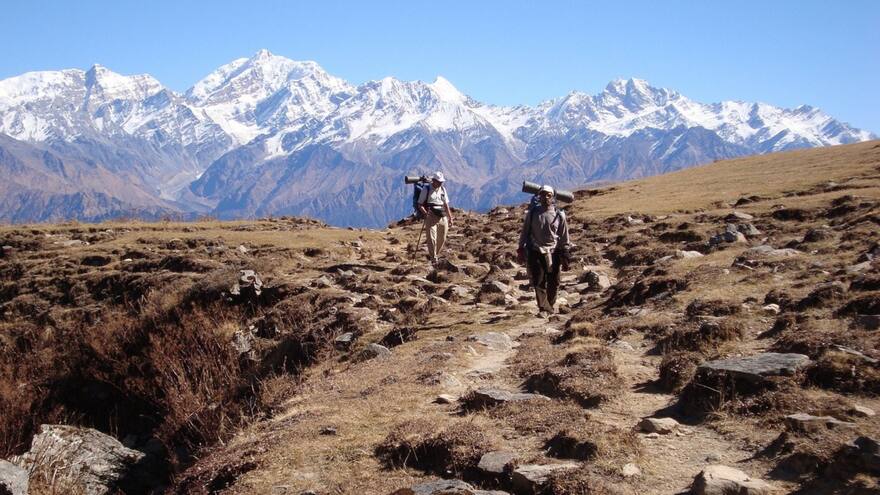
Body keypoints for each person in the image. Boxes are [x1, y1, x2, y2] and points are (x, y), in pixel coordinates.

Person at [517, 184, 571, 316]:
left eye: (548, 195)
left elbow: (564, 236)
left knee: (554, 281)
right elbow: (525, 231)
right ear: (538, 196)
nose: (545, 197)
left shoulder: (559, 215)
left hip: (554, 252)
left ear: (553, 197)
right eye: (542, 194)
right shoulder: (533, 213)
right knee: (538, 281)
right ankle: (544, 308)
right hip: (536, 251)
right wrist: (520, 248)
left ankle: (549, 305)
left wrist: (565, 254)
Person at [417, 171, 454, 264]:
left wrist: (450, 217)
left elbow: (446, 204)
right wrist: (425, 214)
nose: (441, 183)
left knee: (442, 238)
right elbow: (420, 204)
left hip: (442, 215)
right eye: (439, 181)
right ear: (433, 180)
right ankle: (434, 259)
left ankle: (435, 255)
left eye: (442, 181)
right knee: (432, 238)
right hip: (431, 216)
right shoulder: (426, 189)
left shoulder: (443, 189)